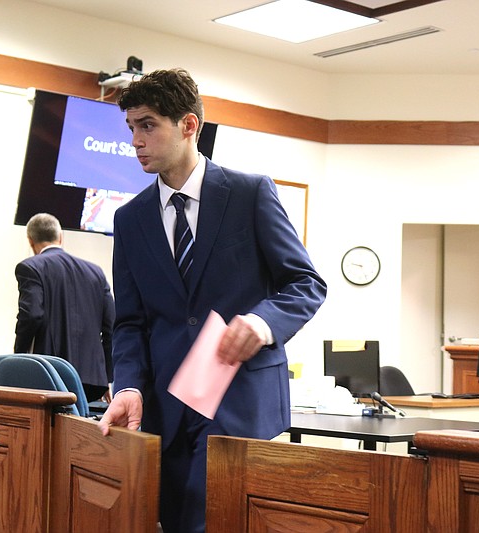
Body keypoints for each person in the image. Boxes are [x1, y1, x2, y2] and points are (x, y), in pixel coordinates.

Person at [97, 68, 327, 532]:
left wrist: (262, 324)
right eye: (131, 129)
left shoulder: (249, 193)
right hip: (167, 410)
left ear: (188, 126)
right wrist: (128, 387)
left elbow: (306, 283)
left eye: (148, 125)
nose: (135, 141)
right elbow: (130, 324)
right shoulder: (130, 219)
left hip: (241, 403)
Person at [14, 213, 114, 402]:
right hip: (93, 379)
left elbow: (32, 315)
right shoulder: (96, 272)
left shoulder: (30, 267)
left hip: (49, 375)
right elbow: (111, 327)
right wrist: (107, 376)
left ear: (30, 240)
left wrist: (18, 359)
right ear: (61, 237)